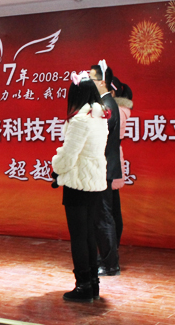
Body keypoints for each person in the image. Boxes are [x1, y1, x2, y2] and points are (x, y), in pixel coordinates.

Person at [51, 72, 109, 302]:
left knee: (78, 237)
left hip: (77, 183)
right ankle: (93, 284)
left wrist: (56, 167)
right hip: (95, 182)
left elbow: (68, 156)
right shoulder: (100, 117)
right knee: (89, 235)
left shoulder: (79, 120)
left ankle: (83, 286)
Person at [90, 60, 122, 277]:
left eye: (91, 79)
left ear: (102, 82)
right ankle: (106, 259)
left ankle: (110, 264)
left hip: (103, 169)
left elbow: (97, 138)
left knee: (104, 217)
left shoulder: (106, 106)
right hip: (104, 169)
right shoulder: (106, 103)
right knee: (105, 215)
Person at [109, 77, 133, 247]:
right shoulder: (113, 109)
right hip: (108, 163)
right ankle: (109, 251)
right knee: (110, 208)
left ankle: (110, 252)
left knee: (110, 210)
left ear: (111, 92)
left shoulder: (117, 111)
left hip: (109, 163)